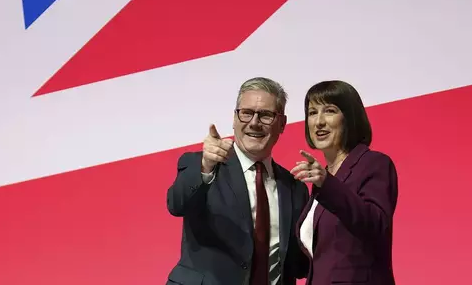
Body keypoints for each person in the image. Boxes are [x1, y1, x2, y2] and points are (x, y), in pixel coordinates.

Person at [166, 77, 310, 285]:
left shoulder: (294, 187)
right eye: (246, 113)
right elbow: (177, 204)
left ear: (282, 124)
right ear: (234, 119)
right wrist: (205, 166)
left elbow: (300, 264)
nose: (254, 123)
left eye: (266, 115)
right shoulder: (202, 165)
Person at [290, 80, 399, 285]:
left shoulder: (373, 163)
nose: (319, 121)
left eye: (329, 111)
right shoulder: (323, 178)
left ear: (349, 118)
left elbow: (376, 224)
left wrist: (326, 183)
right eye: (312, 113)